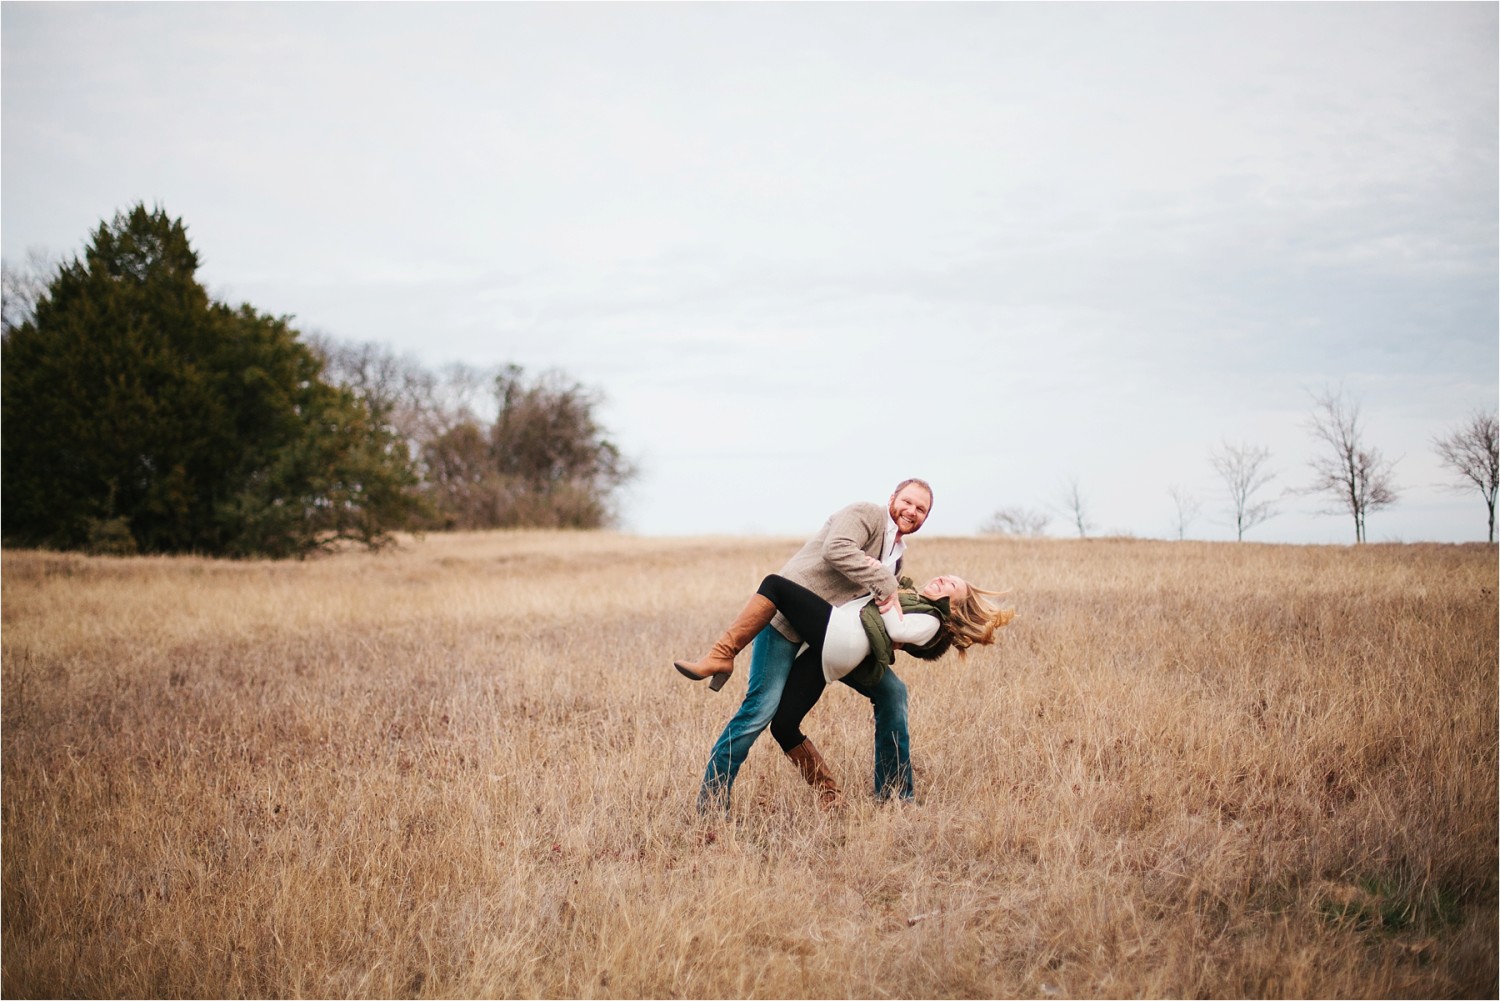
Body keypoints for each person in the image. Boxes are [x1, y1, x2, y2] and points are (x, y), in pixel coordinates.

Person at [678, 479, 933, 811]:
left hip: (830, 637)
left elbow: (874, 605)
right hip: (785, 620)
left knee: (892, 692)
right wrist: (884, 580)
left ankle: (894, 795)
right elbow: (837, 548)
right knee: (760, 711)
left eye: (921, 509)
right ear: (892, 499)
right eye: (908, 502)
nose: (912, 511)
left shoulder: (898, 558)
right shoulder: (866, 514)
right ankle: (711, 803)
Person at [680, 570, 1012, 808]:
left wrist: (885, 596)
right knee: (783, 724)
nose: (943, 579)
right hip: (831, 655)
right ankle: (829, 793)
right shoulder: (912, 598)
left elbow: (897, 626)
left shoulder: (931, 619)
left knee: (775, 585)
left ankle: (721, 655)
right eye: (946, 575)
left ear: (954, 606)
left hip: (841, 636)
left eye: (952, 585)